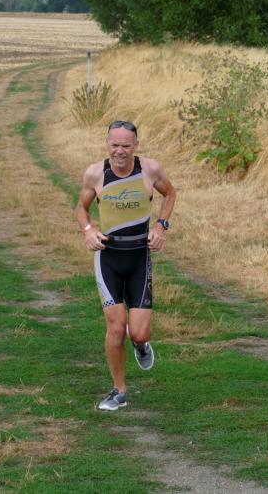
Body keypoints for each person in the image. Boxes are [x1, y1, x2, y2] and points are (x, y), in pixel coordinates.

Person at [76, 120, 177, 411]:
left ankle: (141, 345)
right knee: (117, 328)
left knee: (139, 332)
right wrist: (88, 230)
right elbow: (81, 207)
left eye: (125, 145)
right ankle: (118, 390)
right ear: (107, 143)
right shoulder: (95, 173)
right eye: (114, 145)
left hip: (139, 257)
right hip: (108, 256)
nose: (119, 151)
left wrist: (160, 226)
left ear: (136, 145)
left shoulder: (150, 169)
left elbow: (170, 193)